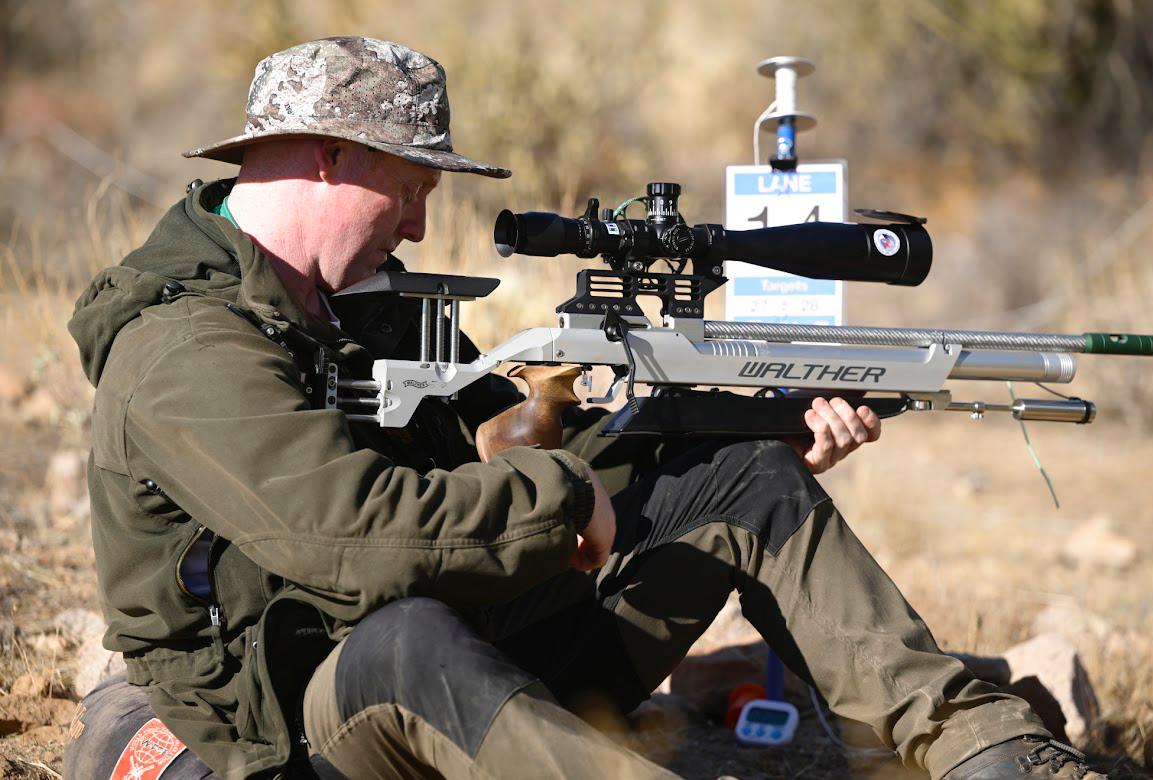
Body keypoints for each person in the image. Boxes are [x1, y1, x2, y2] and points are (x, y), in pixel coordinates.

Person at [65, 36, 1100, 780]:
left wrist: (756, 430)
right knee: (410, 637)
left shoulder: (364, 305)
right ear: (328, 156)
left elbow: (505, 445)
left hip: (472, 654)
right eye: (410, 183)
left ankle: (993, 753)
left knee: (745, 481)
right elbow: (352, 538)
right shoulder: (185, 343)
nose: (424, 216)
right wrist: (558, 495)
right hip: (287, 725)